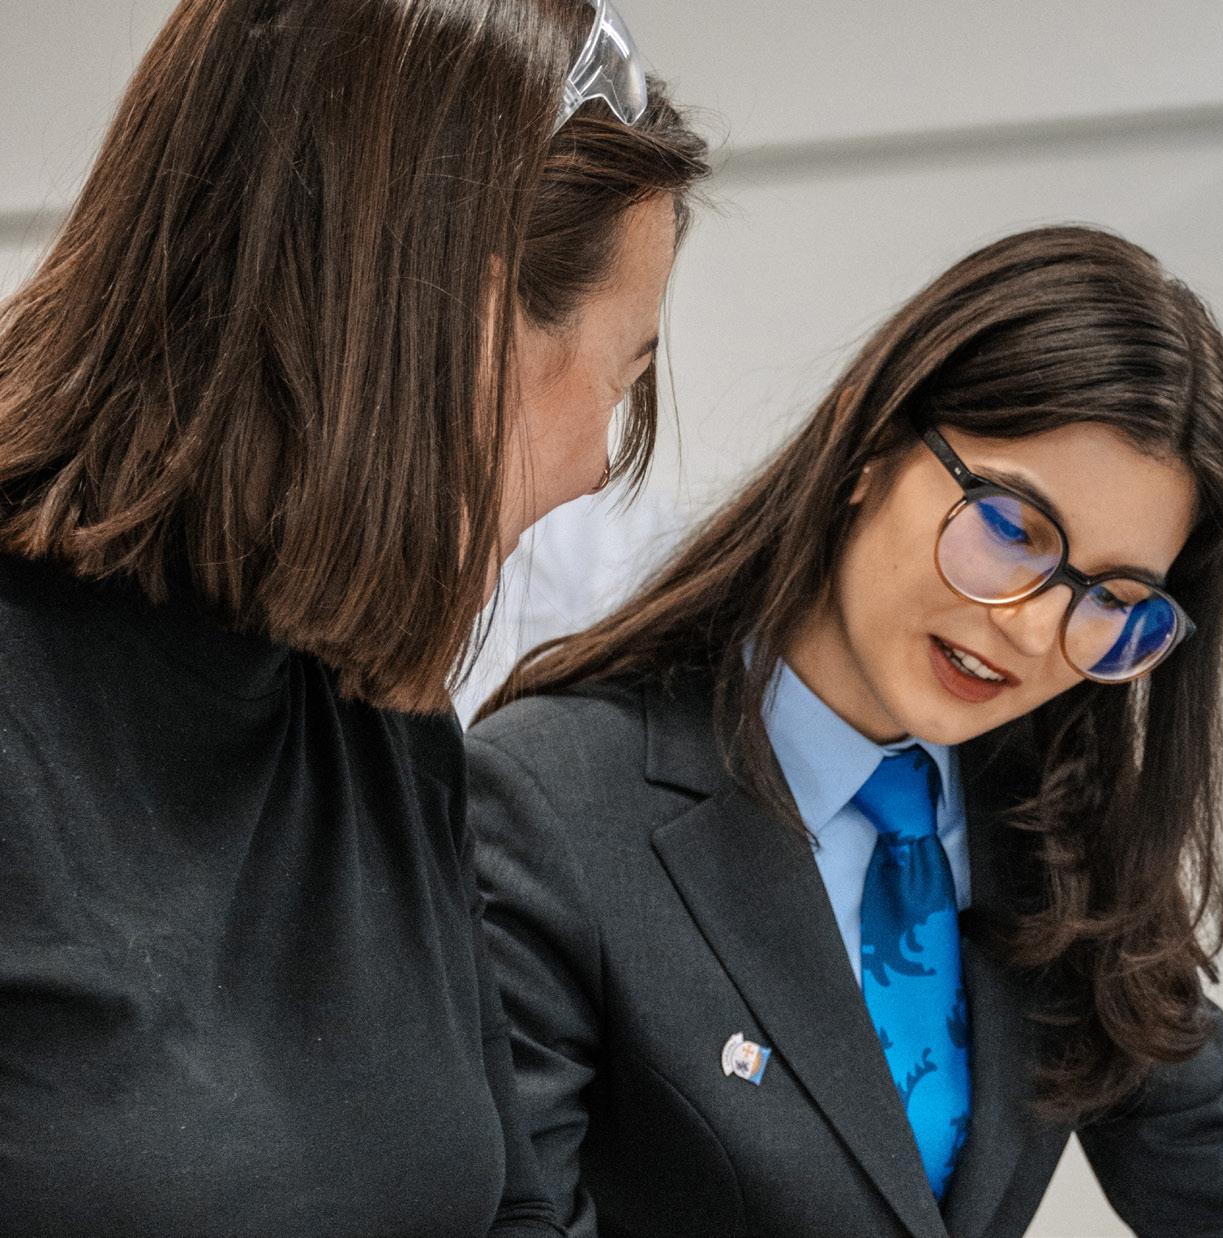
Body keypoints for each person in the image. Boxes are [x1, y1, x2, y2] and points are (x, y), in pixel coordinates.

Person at [465, 225, 1223, 1238]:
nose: (1033, 629)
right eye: (1009, 529)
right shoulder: (553, 801)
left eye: (1110, 597)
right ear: (867, 446)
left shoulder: (1054, 819)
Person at [0, 1, 708, 1233]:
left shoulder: (371, 704)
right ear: (452, 330)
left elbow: (509, 1201)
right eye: (621, 373)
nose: (602, 461)